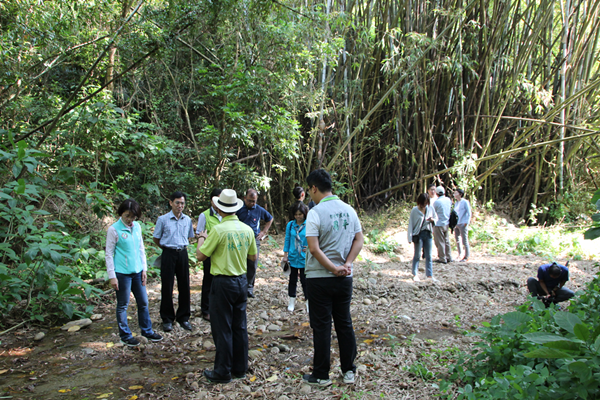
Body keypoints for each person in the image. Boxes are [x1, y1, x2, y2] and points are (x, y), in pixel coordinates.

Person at [302, 169, 363, 387]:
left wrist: (332, 268)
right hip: (345, 277)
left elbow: (314, 248)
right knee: (344, 322)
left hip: (319, 278)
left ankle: (321, 375)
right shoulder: (349, 210)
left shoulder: (315, 213)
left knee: (322, 326)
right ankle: (349, 370)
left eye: (310, 190)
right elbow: (359, 240)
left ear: (314, 188)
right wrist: (346, 264)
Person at [197, 189, 257, 384]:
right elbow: (253, 257)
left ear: (220, 209)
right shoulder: (247, 230)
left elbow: (201, 256)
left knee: (222, 327)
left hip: (222, 282)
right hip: (241, 281)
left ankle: (222, 371)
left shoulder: (218, 230)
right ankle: (240, 368)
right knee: (239, 325)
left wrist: (201, 237)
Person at [105, 199, 163, 346]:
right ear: (121, 214)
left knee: (143, 302)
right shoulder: (114, 230)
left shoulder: (136, 226)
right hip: (122, 273)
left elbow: (141, 248)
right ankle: (125, 335)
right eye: (127, 216)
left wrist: (144, 269)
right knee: (123, 305)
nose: (130, 220)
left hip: (137, 272)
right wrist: (112, 276)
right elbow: (109, 254)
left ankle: (147, 331)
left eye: (133, 216)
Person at [153, 191, 195, 332]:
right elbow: (156, 238)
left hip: (182, 253)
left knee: (184, 285)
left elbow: (189, 237)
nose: (180, 206)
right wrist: (167, 248)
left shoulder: (187, 220)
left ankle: (183, 317)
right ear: (171, 203)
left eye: (182, 203)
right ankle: (167, 318)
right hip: (168, 253)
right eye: (177, 202)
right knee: (167, 286)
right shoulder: (163, 219)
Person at [236, 189, 273, 297]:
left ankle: (249, 288)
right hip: (240, 240)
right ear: (244, 198)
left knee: (252, 264)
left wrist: (263, 232)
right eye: (250, 201)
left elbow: (270, 219)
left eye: (254, 201)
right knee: (240, 262)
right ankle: (240, 287)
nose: (252, 203)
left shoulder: (259, 209)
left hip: (254, 240)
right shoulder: (238, 209)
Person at [195, 188, 223, 322]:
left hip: (223, 254)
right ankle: (205, 310)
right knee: (208, 282)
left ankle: (218, 308)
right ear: (211, 201)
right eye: (215, 200)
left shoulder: (225, 214)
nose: (217, 203)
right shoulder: (204, 215)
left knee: (221, 282)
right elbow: (199, 233)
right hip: (209, 254)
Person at [282, 202, 309, 312]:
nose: (298, 216)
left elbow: (314, 238)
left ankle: (308, 303)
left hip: (304, 257)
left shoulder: (309, 224)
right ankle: (291, 301)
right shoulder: (290, 225)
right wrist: (285, 255)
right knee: (292, 280)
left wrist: (310, 248)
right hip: (293, 256)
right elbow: (287, 239)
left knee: (305, 281)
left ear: (304, 214)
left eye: (300, 214)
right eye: (296, 214)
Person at [407, 193, 438, 281]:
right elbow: (411, 224)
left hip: (428, 233)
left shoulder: (430, 208)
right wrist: (409, 237)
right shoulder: (415, 210)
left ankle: (429, 275)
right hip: (418, 234)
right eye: (423, 203)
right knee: (417, 255)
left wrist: (432, 220)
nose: (424, 205)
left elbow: (436, 218)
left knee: (429, 255)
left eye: (426, 203)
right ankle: (415, 274)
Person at [432, 186, 453, 264]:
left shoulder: (436, 202)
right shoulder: (448, 200)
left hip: (438, 223)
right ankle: (449, 256)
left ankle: (442, 258)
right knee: (446, 240)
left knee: (440, 241)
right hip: (447, 222)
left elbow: (434, 213)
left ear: (436, 194)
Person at [453, 188, 472, 262]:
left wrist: (467, 222)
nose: (454, 194)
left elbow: (469, 212)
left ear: (460, 194)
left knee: (465, 240)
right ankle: (460, 254)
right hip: (456, 223)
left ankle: (467, 256)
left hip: (463, 222)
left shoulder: (465, 202)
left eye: (456, 193)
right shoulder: (456, 203)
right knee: (457, 239)